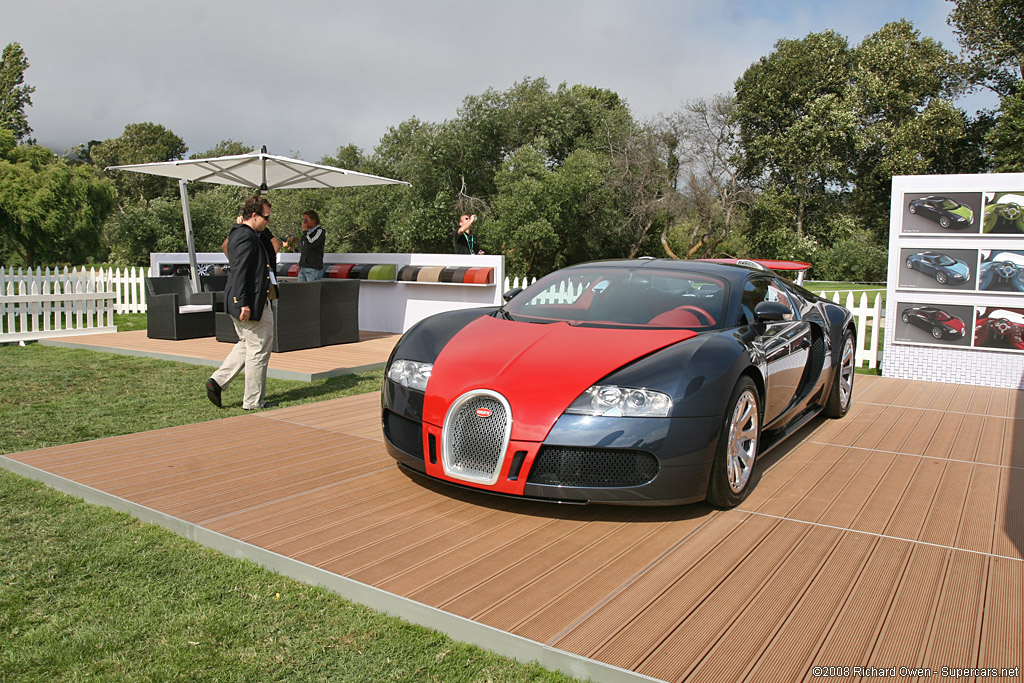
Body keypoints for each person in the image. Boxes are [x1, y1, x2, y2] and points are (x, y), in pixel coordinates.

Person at [205, 196, 278, 411]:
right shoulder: (244, 237)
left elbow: (267, 244)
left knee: (247, 345)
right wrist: (242, 302)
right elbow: (239, 271)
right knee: (259, 349)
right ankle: (253, 401)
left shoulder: (248, 234)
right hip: (249, 301)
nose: (269, 221)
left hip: (249, 299)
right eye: (266, 217)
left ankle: (217, 381)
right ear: (254, 215)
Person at [297, 210, 326, 281]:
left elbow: (311, 244)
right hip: (303, 267)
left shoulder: (319, 232)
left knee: (311, 291)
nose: (304, 222)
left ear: (313, 220)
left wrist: (305, 232)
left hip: (313, 268)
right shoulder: (306, 234)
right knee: (300, 290)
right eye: (303, 220)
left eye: (306, 220)